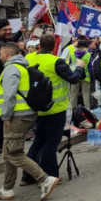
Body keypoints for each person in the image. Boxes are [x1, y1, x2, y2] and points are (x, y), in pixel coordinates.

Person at [0, 43, 59, 201]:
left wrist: (6, 116)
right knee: (8, 153)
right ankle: (7, 189)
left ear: (7, 54)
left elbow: (9, 96)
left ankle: (44, 179)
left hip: (17, 116)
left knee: (14, 154)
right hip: (24, 114)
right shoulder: (22, 66)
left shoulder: (11, 69)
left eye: (1, 52)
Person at [22, 34, 86, 183]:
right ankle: (51, 176)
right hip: (55, 109)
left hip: (36, 107)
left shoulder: (29, 58)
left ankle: (28, 176)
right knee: (50, 143)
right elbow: (74, 78)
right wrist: (79, 67)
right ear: (55, 46)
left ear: (39, 46)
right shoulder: (57, 61)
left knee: (38, 141)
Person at [0, 19, 24, 155]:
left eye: (9, 29)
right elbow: (6, 53)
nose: (8, 32)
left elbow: (10, 40)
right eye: (5, 30)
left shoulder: (2, 42)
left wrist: (19, 32)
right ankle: (1, 146)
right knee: (3, 116)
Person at [64, 37, 92, 111]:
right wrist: (92, 78)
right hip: (86, 78)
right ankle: (87, 109)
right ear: (86, 47)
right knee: (85, 94)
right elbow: (90, 68)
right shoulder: (88, 55)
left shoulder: (72, 55)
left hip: (75, 76)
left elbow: (69, 66)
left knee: (73, 94)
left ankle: (72, 110)